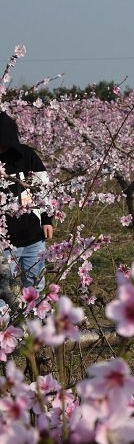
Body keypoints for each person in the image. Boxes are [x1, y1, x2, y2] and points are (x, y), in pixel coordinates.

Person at [0, 112, 54, 306]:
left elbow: (43, 188)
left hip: (33, 237)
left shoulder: (26, 155)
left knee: (35, 286)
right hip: (4, 244)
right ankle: (6, 331)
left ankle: (34, 327)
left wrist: (47, 219)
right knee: (5, 292)